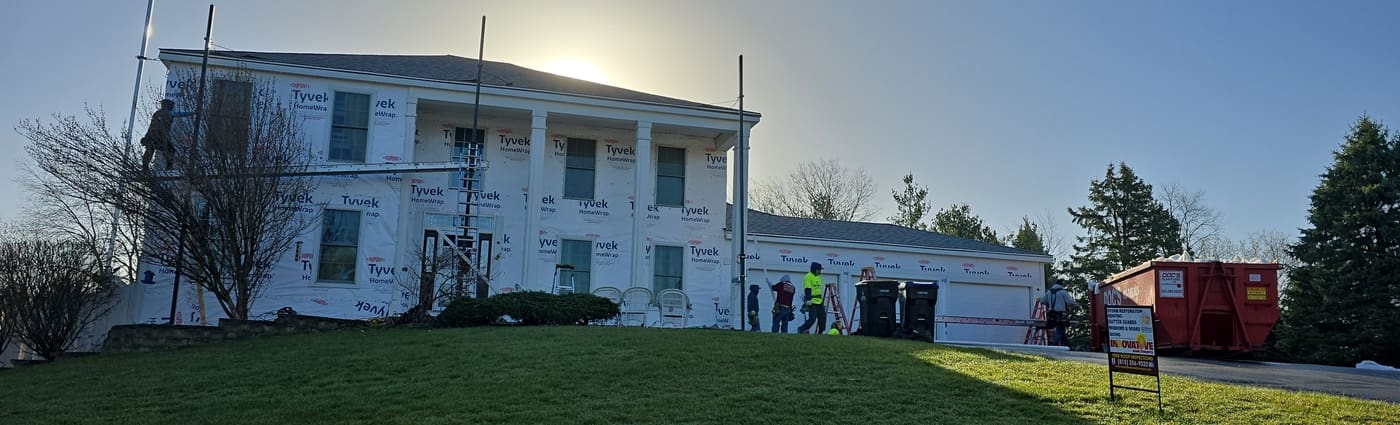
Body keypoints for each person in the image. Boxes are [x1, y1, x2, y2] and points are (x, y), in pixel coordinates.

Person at [141, 99, 194, 170]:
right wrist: (192, 113)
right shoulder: (168, 113)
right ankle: (169, 167)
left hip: (151, 135)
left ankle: (145, 167)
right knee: (170, 150)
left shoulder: (157, 113)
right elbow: (179, 114)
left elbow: (151, 126)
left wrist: (146, 137)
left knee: (150, 150)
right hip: (160, 136)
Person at [1041, 281, 1080, 347]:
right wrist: (1077, 306)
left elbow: (1043, 301)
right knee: (1060, 329)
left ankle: (1067, 346)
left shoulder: (1049, 292)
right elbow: (1070, 302)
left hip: (1052, 314)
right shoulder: (1063, 292)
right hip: (1061, 314)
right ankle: (1054, 346)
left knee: (1061, 330)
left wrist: (1050, 304)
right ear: (1061, 285)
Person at [796, 262, 826, 334]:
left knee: (823, 317)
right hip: (812, 300)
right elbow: (807, 289)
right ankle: (801, 329)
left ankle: (821, 332)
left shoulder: (818, 277)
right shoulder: (808, 277)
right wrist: (808, 299)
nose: (820, 271)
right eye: (818, 270)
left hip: (819, 300)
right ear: (814, 269)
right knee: (813, 318)